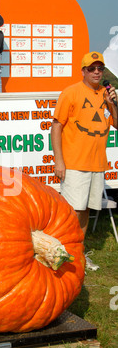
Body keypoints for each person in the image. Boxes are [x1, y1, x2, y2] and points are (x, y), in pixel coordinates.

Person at [51, 51, 118, 270]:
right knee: (74, 211)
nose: (97, 72)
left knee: (87, 209)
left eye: (100, 68)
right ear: (83, 71)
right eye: (92, 68)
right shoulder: (71, 93)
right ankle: (65, 253)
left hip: (97, 163)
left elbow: (116, 123)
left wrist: (112, 104)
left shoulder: (106, 95)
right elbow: (56, 126)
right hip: (74, 163)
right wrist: (59, 161)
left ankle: (78, 253)